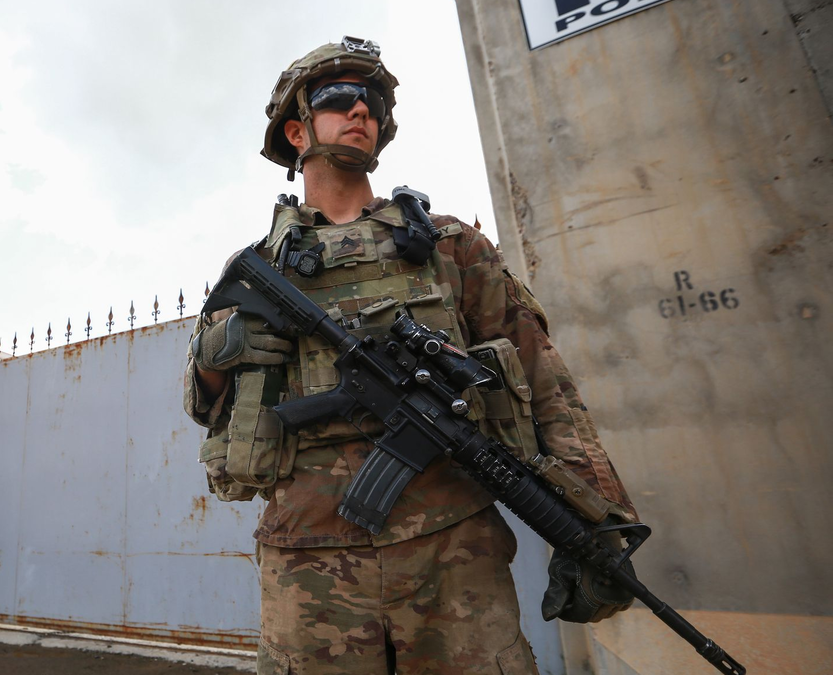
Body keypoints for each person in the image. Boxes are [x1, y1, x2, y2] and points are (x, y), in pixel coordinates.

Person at [183, 37, 638, 674]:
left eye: (371, 102)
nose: (362, 111)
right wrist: (213, 354)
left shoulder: (450, 247)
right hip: (307, 560)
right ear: (297, 128)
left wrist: (600, 521)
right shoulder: (257, 270)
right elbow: (206, 406)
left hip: (455, 550)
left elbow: (545, 383)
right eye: (341, 99)